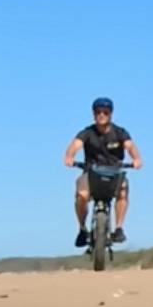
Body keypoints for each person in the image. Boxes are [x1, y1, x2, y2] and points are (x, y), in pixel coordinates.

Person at [63, 97, 140, 249]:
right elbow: (75, 144)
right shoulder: (87, 132)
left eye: (105, 112)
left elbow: (130, 146)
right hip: (91, 172)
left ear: (111, 114)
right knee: (82, 195)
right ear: (93, 114)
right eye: (98, 112)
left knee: (123, 192)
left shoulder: (120, 132)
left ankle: (118, 228)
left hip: (115, 173)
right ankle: (82, 229)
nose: (102, 115)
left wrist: (136, 158)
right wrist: (69, 156)